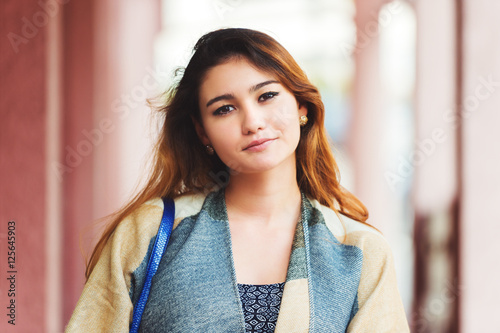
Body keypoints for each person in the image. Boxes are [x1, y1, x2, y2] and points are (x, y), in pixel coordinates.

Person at [66, 28, 409, 332]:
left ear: (302, 106)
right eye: (224, 109)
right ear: (203, 131)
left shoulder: (359, 252)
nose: (253, 122)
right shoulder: (153, 231)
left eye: (267, 96)